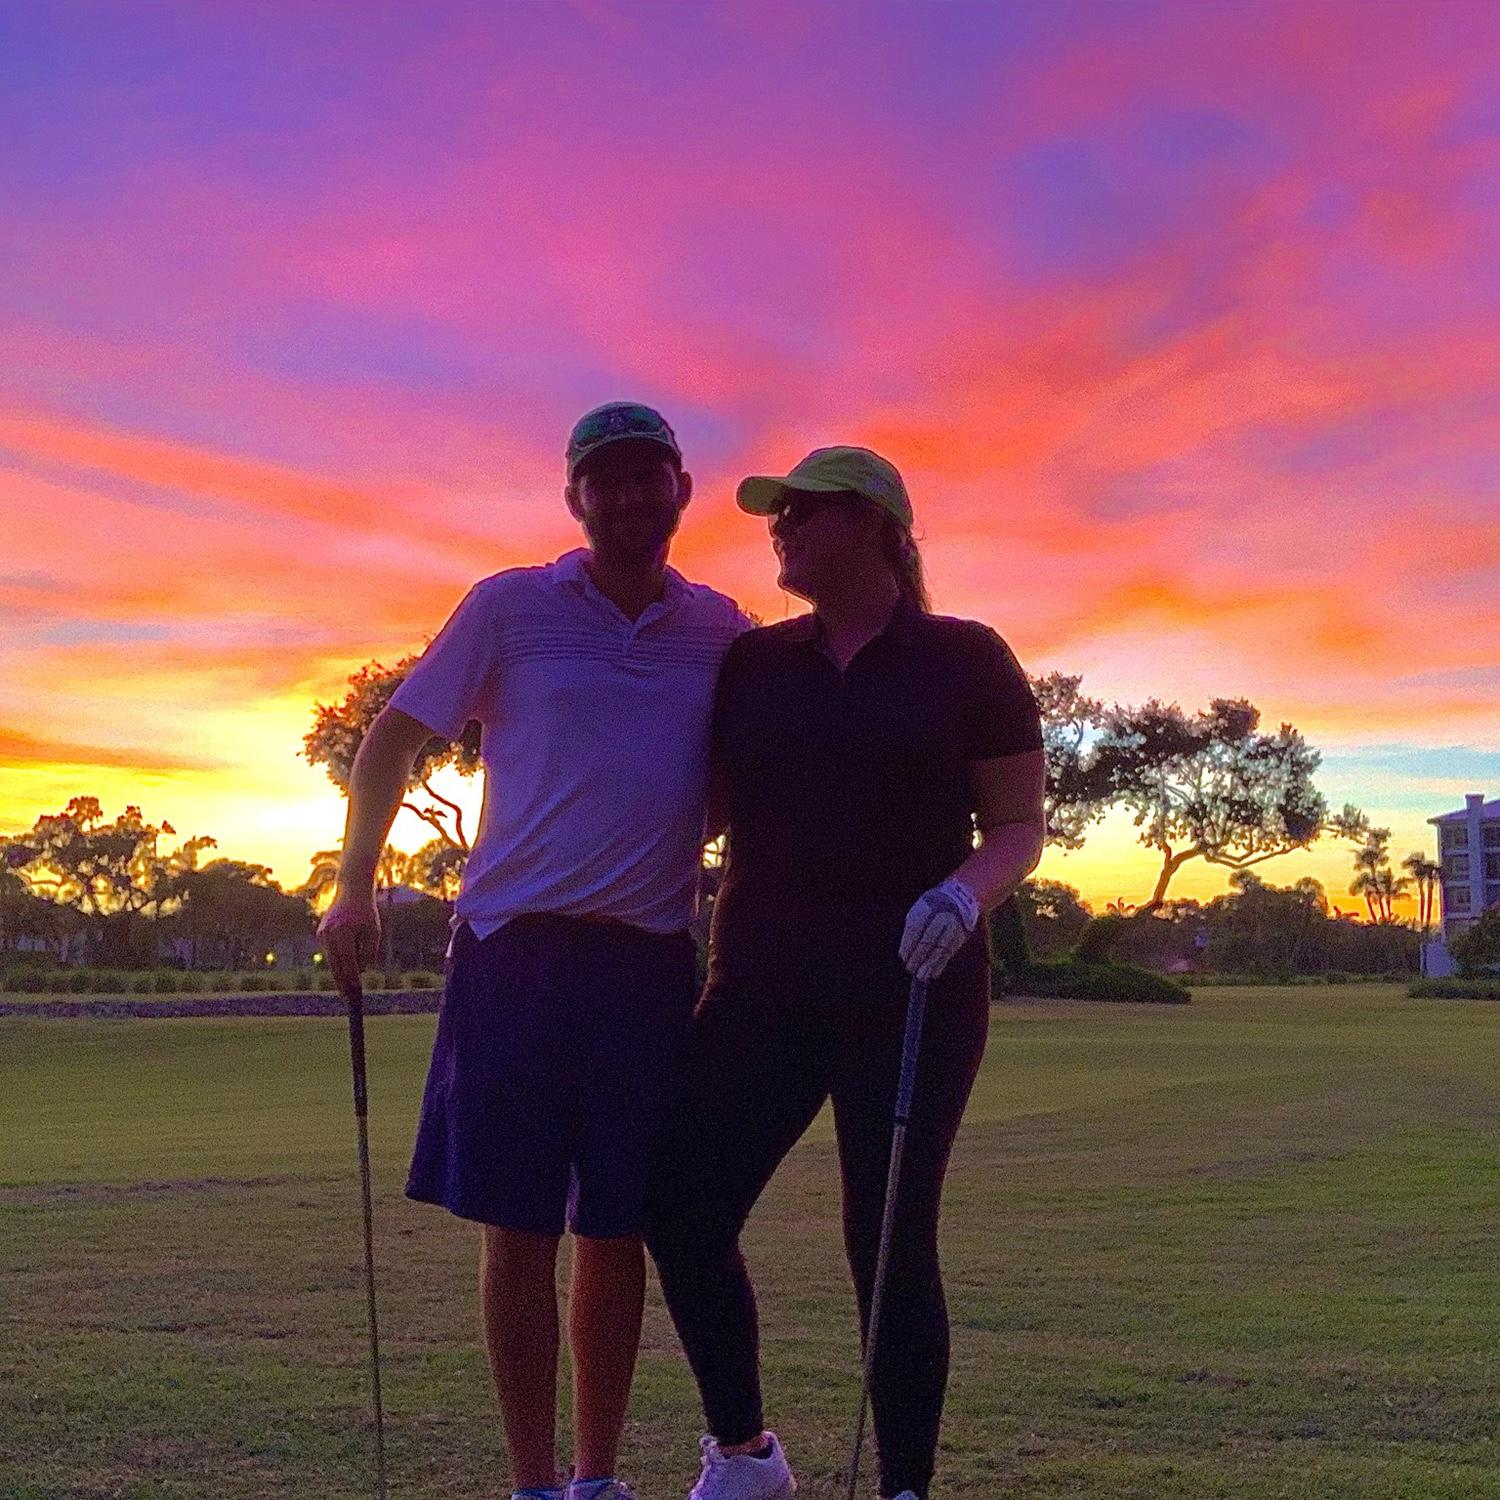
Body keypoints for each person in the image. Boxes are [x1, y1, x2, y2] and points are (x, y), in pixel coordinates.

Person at [319, 402, 750, 1500]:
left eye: (648, 475)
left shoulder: (722, 628)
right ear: (574, 498)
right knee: (517, 1226)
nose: (628, 496)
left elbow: (743, 779)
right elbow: (393, 740)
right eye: (604, 479)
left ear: (682, 490)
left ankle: (596, 1478)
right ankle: (531, 1483)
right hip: (515, 955)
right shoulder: (511, 607)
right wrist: (355, 882)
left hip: (649, 961)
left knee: (616, 1227)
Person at [644, 446, 1047, 1500]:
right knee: (680, 1201)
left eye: (802, 513)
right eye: (775, 517)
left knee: (888, 1238)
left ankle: (905, 1486)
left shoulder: (968, 659)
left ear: (876, 525)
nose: (779, 530)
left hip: (913, 992)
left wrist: (964, 897)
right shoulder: (754, 664)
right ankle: (746, 1457)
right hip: (761, 986)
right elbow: (705, 812)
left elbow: (1016, 828)